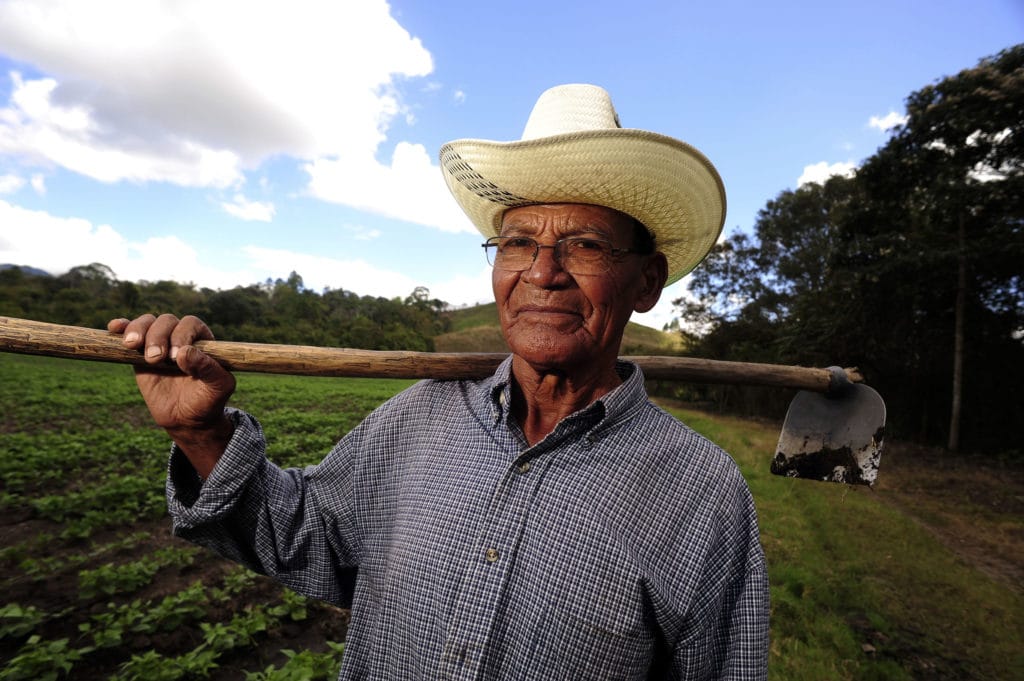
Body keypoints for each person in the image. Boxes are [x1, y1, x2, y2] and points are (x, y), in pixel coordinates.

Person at [110, 84, 769, 680]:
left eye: (585, 245)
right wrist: (202, 432)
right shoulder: (417, 418)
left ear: (646, 282)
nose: (543, 272)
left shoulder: (701, 493)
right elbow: (301, 535)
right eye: (517, 243)